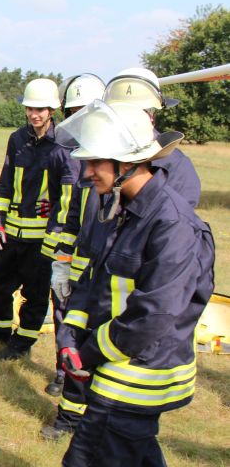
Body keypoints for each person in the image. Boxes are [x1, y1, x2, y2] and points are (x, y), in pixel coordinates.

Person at [0, 101, 214, 467]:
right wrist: (69, 339)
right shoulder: (124, 209)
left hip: (140, 377)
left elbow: (154, 316)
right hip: (115, 368)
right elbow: (94, 283)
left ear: (127, 163)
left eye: (93, 162)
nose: (84, 173)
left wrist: (91, 353)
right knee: (135, 454)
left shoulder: (174, 227)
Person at [41, 67, 202, 441]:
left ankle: (107, 430)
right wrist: (64, 262)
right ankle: (69, 419)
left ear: (153, 115)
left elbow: (170, 252)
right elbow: (78, 212)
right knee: (79, 344)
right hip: (92, 272)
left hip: (132, 290)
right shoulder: (103, 157)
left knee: (115, 373)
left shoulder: (176, 173)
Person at [0, 79, 75, 360]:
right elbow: (5, 182)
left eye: (41, 109)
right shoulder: (17, 139)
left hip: (42, 239)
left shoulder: (63, 145)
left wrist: (55, 236)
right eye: (30, 108)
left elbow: (65, 197)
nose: (35, 114)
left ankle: (22, 342)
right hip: (11, 232)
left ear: (52, 110)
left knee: (35, 293)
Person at [40, 73, 106, 397]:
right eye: (73, 111)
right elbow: (59, 206)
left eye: (86, 110)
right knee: (63, 315)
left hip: (98, 259)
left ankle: (87, 384)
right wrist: (61, 261)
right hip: (67, 251)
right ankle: (61, 372)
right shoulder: (59, 153)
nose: (79, 118)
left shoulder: (110, 156)